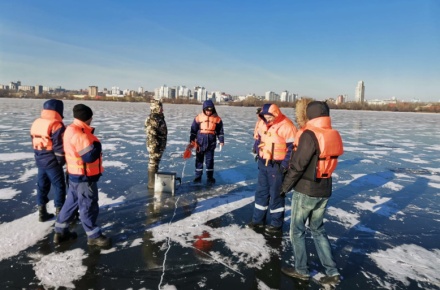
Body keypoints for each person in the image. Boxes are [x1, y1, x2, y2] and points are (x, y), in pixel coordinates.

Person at [280, 101, 343, 285]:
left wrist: (285, 187)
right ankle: (332, 271)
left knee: (297, 230)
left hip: (306, 190)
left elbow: (298, 165)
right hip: (324, 189)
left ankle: (301, 270)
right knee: (318, 229)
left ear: (310, 114)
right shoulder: (332, 133)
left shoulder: (310, 134)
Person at [54, 104, 111, 248]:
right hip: (84, 177)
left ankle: (60, 232)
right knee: (88, 205)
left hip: (74, 175)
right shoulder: (80, 134)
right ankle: (93, 236)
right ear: (88, 118)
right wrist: (97, 146)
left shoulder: (70, 129)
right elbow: (89, 157)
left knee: (71, 203)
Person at [248, 103, 297, 234]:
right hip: (263, 164)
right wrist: (257, 151)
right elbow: (258, 139)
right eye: (265, 117)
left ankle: (276, 224)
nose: (267, 119)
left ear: (276, 114)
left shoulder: (287, 126)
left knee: (276, 195)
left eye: (270, 117)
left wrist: (284, 165)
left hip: (277, 166)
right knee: (261, 193)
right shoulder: (262, 124)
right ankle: (258, 220)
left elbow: (293, 149)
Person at [30, 99, 66, 222]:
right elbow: (59, 146)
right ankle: (60, 214)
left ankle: (42, 212)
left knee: (42, 186)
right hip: (51, 160)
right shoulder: (56, 124)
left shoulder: (37, 122)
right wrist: (61, 161)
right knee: (59, 186)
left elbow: (33, 139)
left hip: (39, 158)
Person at [189, 99, 224, 185]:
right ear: (204, 109)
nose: (208, 112)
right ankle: (198, 176)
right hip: (200, 142)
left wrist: (221, 140)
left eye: (210, 110)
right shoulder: (198, 117)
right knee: (199, 160)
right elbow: (193, 130)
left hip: (211, 142)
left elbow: (220, 131)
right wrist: (192, 140)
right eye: (207, 110)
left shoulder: (217, 119)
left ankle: (210, 177)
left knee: (210, 160)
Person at [144, 99, 168, 189]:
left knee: (155, 163)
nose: (162, 110)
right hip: (154, 146)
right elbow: (151, 134)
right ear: (156, 108)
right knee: (153, 163)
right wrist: (155, 146)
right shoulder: (153, 118)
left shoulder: (158, 117)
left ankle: (153, 183)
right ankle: (151, 184)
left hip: (158, 145)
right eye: (161, 108)